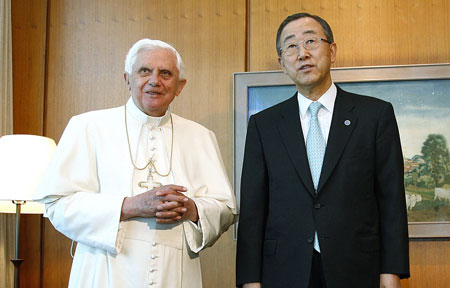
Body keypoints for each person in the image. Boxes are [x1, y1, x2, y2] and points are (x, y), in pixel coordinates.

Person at [34, 38, 237, 288]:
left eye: (165, 73)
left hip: (175, 275)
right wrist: (129, 206)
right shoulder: (87, 127)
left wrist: (191, 209)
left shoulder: (201, 136)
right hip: (103, 274)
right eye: (144, 71)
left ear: (180, 85)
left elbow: (226, 209)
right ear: (127, 79)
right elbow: (57, 205)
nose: (154, 81)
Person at [236, 12, 409, 288]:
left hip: (357, 268)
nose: (302, 53)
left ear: (332, 51)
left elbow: (391, 202)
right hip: (284, 271)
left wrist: (391, 272)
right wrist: (249, 280)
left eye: (310, 41)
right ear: (282, 63)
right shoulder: (264, 125)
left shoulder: (374, 116)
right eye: (291, 46)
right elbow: (253, 209)